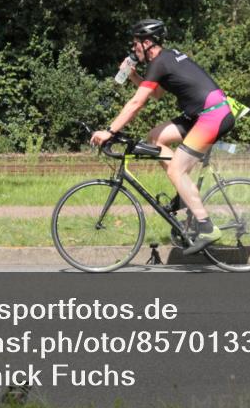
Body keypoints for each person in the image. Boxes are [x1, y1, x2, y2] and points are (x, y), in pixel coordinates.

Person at [90, 19, 235, 254]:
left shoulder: (160, 63)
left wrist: (110, 131)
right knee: (155, 137)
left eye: (136, 43)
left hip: (212, 116)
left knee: (175, 169)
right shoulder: (166, 58)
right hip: (203, 114)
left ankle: (207, 228)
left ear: (147, 43)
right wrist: (133, 76)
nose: (133, 48)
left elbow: (138, 102)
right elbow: (156, 94)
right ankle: (183, 193)